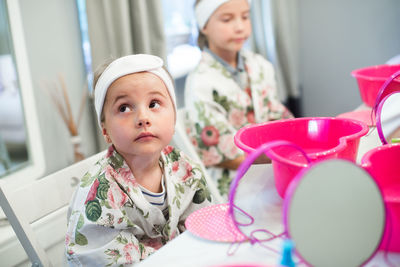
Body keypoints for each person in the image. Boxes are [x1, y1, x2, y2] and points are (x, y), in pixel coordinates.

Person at [65, 54, 213, 266]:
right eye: (124, 108)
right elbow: (102, 257)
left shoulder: (183, 167)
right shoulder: (99, 193)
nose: (143, 118)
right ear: (105, 130)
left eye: (154, 103)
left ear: (173, 118)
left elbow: (204, 224)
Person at [184, 0, 293, 197]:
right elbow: (220, 155)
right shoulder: (200, 84)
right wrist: (277, 159)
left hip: (275, 163)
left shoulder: (261, 66)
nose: (240, 26)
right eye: (227, 19)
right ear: (204, 26)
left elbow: (279, 118)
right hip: (235, 180)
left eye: (245, 16)